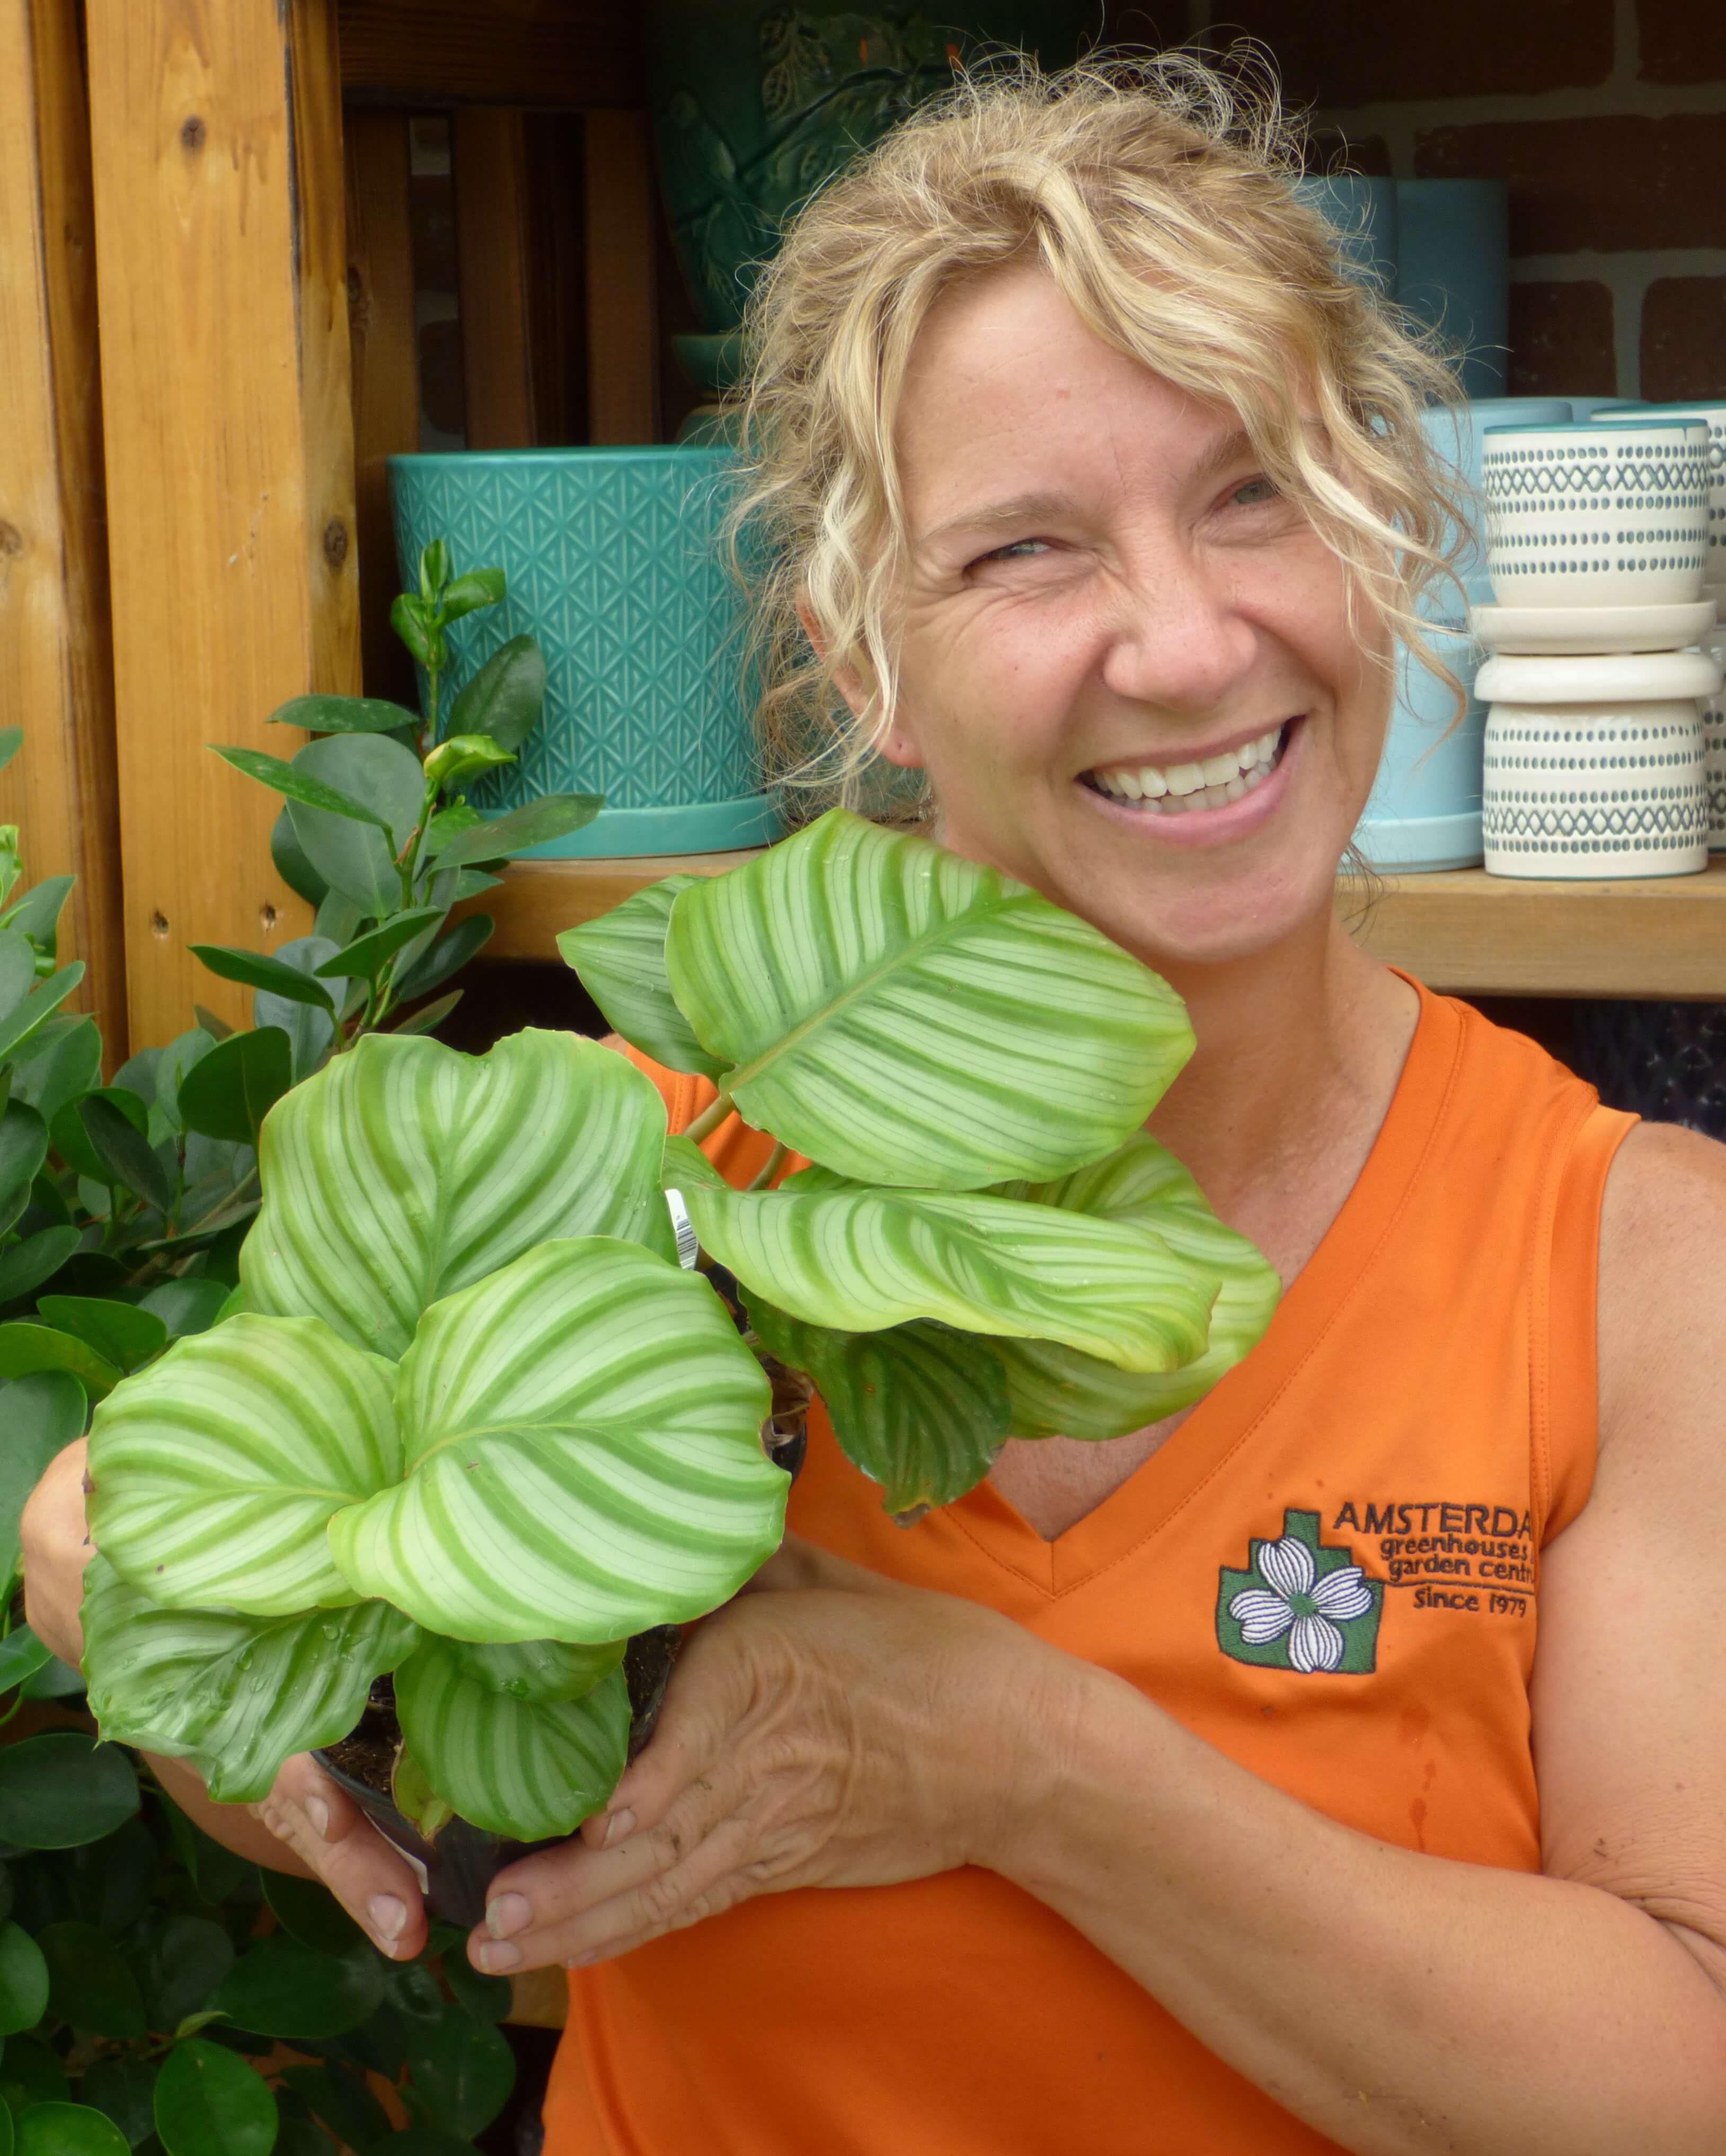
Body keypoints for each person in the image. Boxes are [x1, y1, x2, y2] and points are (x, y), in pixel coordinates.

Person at [23, 58, 1726, 2156]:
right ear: (860, 661)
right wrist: (159, 1596)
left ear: (1380, 535)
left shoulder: (1634, 1258)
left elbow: (1676, 2078)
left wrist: (1015, 1754)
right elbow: (369, 1704)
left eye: (1253, 490)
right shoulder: (632, 1194)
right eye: (1025, 548)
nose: (1187, 641)